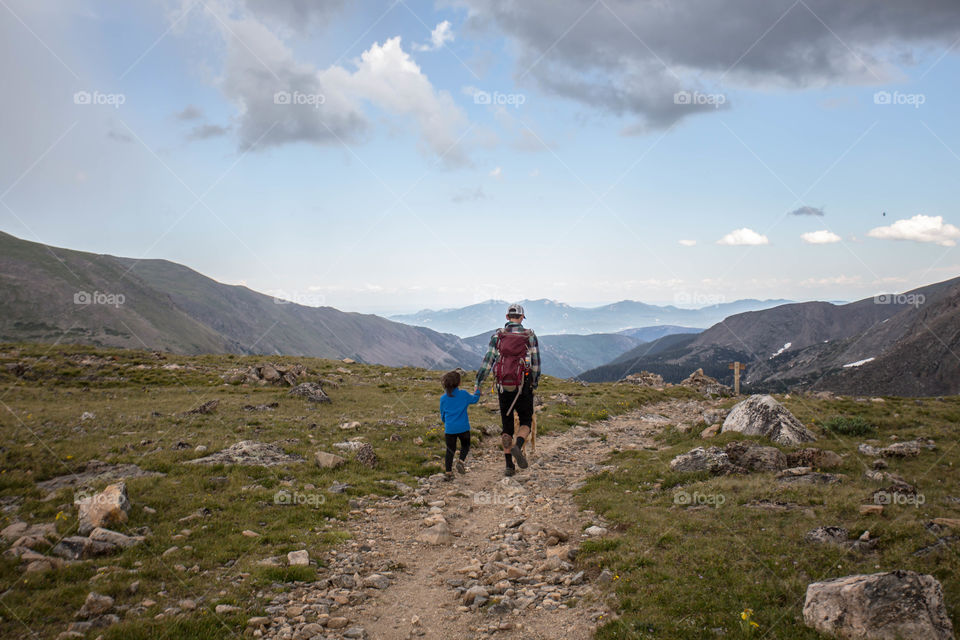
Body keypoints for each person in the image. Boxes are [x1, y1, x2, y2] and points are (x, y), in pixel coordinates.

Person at [474, 303, 540, 477]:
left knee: (507, 426)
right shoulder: (529, 336)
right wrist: (533, 383)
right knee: (526, 421)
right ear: (521, 318)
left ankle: (509, 466)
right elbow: (535, 364)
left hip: (503, 387)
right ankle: (518, 445)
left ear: (507, 317)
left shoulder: (498, 336)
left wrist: (478, 382)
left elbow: (487, 362)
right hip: (523, 385)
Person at [439, 370, 480, 481]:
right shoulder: (464, 394)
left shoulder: (443, 398)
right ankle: (461, 461)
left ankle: (448, 473)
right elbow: (475, 399)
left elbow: (442, 414)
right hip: (463, 428)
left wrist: (446, 422)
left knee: (450, 450)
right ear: (459, 383)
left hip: (450, 429)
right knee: (465, 445)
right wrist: (477, 391)